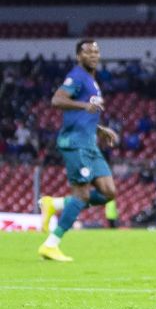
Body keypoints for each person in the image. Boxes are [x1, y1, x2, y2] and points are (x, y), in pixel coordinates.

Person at [38, 40, 121, 261]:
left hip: (89, 142)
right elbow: (57, 99)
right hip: (74, 143)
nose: (93, 55)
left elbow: (85, 114)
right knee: (82, 194)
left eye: (96, 51)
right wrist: (85, 106)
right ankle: (51, 244)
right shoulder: (76, 76)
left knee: (108, 192)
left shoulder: (92, 81)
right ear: (78, 56)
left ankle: (53, 204)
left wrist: (100, 129)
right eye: (88, 52)